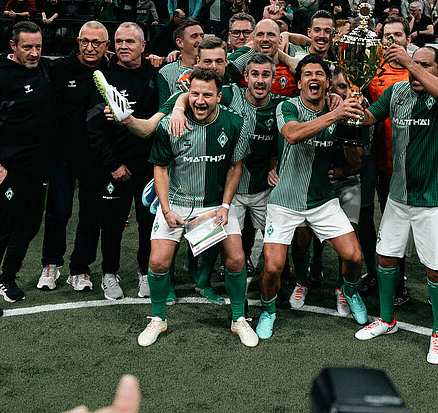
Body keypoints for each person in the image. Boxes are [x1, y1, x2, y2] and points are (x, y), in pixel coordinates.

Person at [354, 44, 438, 365]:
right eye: (413, 63)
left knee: (435, 269)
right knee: (386, 258)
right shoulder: (397, 92)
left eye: (425, 65)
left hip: (434, 199)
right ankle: (387, 319)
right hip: (399, 195)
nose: (415, 69)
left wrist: (407, 63)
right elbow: (368, 118)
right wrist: (349, 104)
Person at [136, 67, 259, 348]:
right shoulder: (170, 124)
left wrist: (226, 205)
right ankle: (158, 319)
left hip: (216, 205)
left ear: (219, 96)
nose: (200, 100)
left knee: (237, 260)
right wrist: (166, 209)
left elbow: (235, 167)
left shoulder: (235, 123)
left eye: (207, 94)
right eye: (194, 94)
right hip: (177, 203)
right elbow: (161, 170)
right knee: (157, 263)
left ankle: (239, 319)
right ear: (186, 94)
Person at [256, 55, 369, 339]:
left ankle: (351, 293)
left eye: (319, 74)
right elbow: (292, 135)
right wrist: (335, 115)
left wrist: (352, 127)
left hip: (322, 202)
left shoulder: (338, 111)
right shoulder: (288, 106)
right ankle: (268, 310)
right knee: (272, 268)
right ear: (300, 82)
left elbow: (357, 163)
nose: (314, 78)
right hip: (285, 202)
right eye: (308, 74)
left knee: (354, 257)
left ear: (327, 82)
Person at [0, 22, 57, 318]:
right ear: (13, 46)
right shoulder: (0, 79)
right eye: (27, 47)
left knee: (29, 224)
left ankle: (7, 278)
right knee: (1, 228)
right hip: (9, 169)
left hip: (38, 168)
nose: (34, 53)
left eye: (38, 47)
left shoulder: (42, 68)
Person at [82, 23, 161, 300]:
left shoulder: (155, 75)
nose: (124, 46)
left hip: (148, 168)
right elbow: (94, 126)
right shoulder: (103, 77)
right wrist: (113, 164)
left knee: (148, 223)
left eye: (130, 41)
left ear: (143, 46)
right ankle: (109, 274)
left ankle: (145, 272)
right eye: (119, 41)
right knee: (112, 224)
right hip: (114, 169)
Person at [37, 22, 109, 292]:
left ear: (106, 46)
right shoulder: (59, 68)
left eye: (97, 43)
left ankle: (80, 268)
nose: (90, 47)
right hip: (61, 155)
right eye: (85, 41)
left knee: (91, 214)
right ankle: (51, 264)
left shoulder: (110, 70)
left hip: (96, 156)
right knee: (59, 211)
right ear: (78, 41)